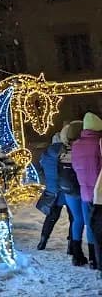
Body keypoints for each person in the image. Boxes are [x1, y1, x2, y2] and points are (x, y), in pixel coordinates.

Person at [71, 112, 102, 269]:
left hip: (85, 193)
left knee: (90, 225)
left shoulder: (76, 145)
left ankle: (93, 259)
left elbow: (75, 167)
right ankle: (97, 259)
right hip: (99, 193)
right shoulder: (99, 143)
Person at [37, 128, 73, 251]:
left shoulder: (46, 154)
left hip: (53, 192)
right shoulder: (65, 154)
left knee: (51, 217)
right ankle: (71, 244)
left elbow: (42, 171)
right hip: (67, 190)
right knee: (73, 218)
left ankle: (43, 240)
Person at [57, 121, 84, 262]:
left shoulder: (63, 151)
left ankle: (75, 252)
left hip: (68, 190)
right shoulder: (81, 149)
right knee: (86, 220)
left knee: (76, 219)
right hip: (82, 188)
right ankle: (93, 256)